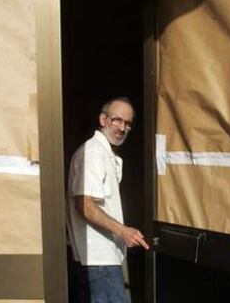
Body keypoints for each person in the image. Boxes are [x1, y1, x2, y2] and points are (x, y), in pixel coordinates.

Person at [67, 96, 149, 303]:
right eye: (117, 120)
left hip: (102, 260)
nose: (122, 127)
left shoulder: (104, 154)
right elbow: (84, 204)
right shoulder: (94, 152)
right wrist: (123, 231)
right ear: (103, 120)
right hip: (98, 261)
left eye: (127, 123)